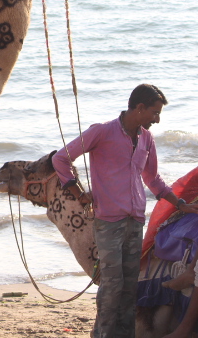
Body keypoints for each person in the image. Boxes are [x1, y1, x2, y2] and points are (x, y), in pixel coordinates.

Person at [52, 84, 198, 338]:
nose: (157, 119)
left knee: (130, 286)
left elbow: (153, 179)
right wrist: (78, 194)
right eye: (154, 112)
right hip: (108, 221)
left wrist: (180, 204)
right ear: (139, 108)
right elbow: (61, 159)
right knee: (112, 285)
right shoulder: (102, 132)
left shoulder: (146, 138)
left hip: (135, 221)